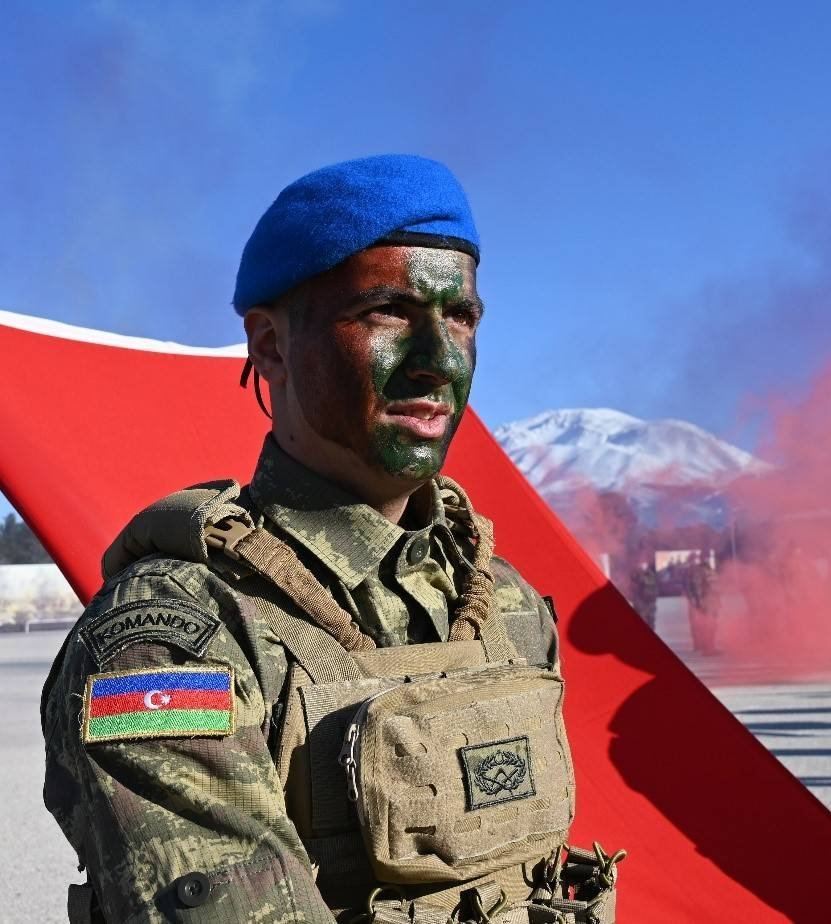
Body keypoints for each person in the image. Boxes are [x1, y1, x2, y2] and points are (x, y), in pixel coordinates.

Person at [40, 155, 621, 924]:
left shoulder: (501, 601)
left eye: (460, 317)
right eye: (388, 311)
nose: (439, 361)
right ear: (270, 347)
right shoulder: (174, 641)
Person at [683, 550, 720, 655]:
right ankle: (707, 649)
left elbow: (715, 585)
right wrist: (699, 603)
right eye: (706, 557)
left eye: (709, 557)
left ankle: (711, 647)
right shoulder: (700, 571)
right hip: (706, 602)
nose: (708, 558)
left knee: (713, 625)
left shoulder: (710, 569)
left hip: (713, 601)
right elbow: (698, 587)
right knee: (707, 625)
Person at [630, 559, 661, 630]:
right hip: (645, 601)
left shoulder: (647, 574)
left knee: (650, 620)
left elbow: (652, 585)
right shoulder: (638, 574)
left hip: (647, 602)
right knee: (648, 619)